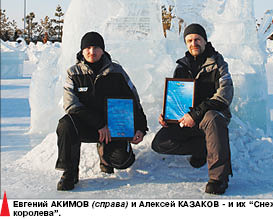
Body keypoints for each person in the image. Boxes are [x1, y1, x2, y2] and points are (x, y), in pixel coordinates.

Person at [55, 31, 148, 191]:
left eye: (96, 47)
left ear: (103, 50)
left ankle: (105, 154)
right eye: (88, 48)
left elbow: (133, 99)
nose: (92, 52)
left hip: (112, 127)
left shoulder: (117, 71)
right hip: (87, 125)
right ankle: (69, 172)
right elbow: (71, 105)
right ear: (82, 51)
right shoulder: (73, 73)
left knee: (123, 162)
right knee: (66, 124)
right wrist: (98, 124)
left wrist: (140, 126)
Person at [151, 23, 233, 195]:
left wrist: (195, 114)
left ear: (204, 41)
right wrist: (168, 114)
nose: (193, 43)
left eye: (197, 39)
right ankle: (202, 149)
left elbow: (224, 96)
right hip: (187, 116)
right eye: (189, 40)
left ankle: (219, 178)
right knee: (160, 143)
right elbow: (176, 96)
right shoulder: (181, 66)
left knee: (212, 117)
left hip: (211, 115)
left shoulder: (218, 64)